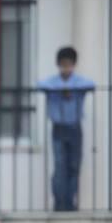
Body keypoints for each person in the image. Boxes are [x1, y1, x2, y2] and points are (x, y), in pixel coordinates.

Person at [38, 47, 95, 211]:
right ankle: (60, 203)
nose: (66, 68)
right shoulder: (53, 81)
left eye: (69, 64)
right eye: (63, 64)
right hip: (59, 128)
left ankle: (70, 203)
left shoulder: (78, 81)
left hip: (75, 127)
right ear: (58, 64)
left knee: (74, 166)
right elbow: (40, 84)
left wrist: (70, 88)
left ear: (73, 64)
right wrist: (61, 88)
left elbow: (91, 84)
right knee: (59, 166)